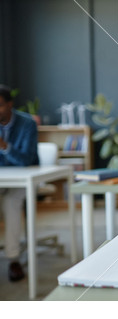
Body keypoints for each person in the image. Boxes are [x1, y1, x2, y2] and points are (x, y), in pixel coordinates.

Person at [0, 84, 39, 281]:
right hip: (2, 181)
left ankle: (13, 260)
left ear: (9, 104)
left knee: (10, 203)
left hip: (25, 181)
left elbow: (25, 160)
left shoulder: (27, 124)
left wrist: (4, 145)